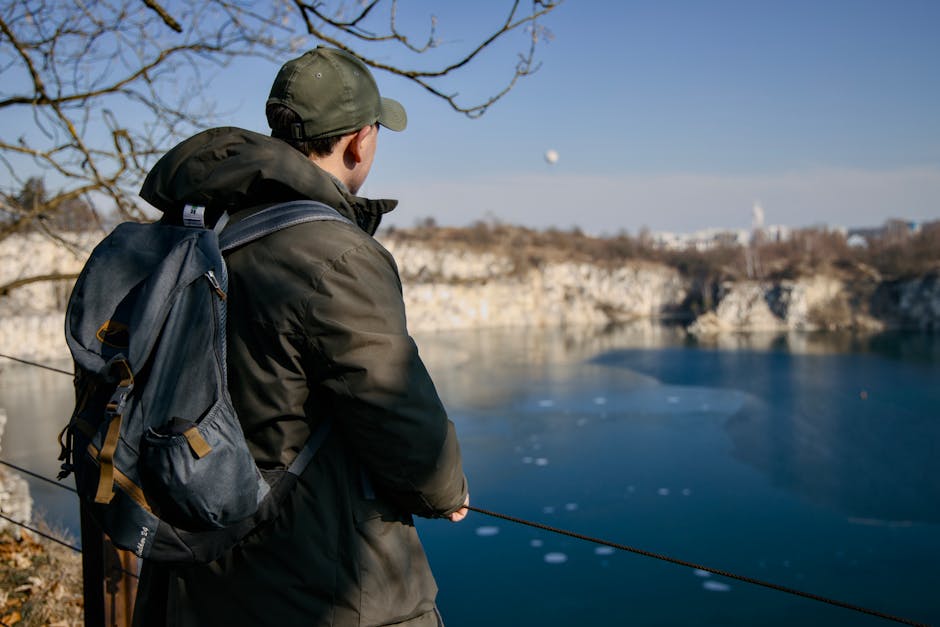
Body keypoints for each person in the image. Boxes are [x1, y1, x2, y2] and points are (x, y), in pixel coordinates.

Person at [132, 46, 470, 627]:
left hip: (198, 561)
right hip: (318, 581)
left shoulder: (208, 224)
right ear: (360, 141)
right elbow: (399, 414)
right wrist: (446, 490)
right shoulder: (335, 255)